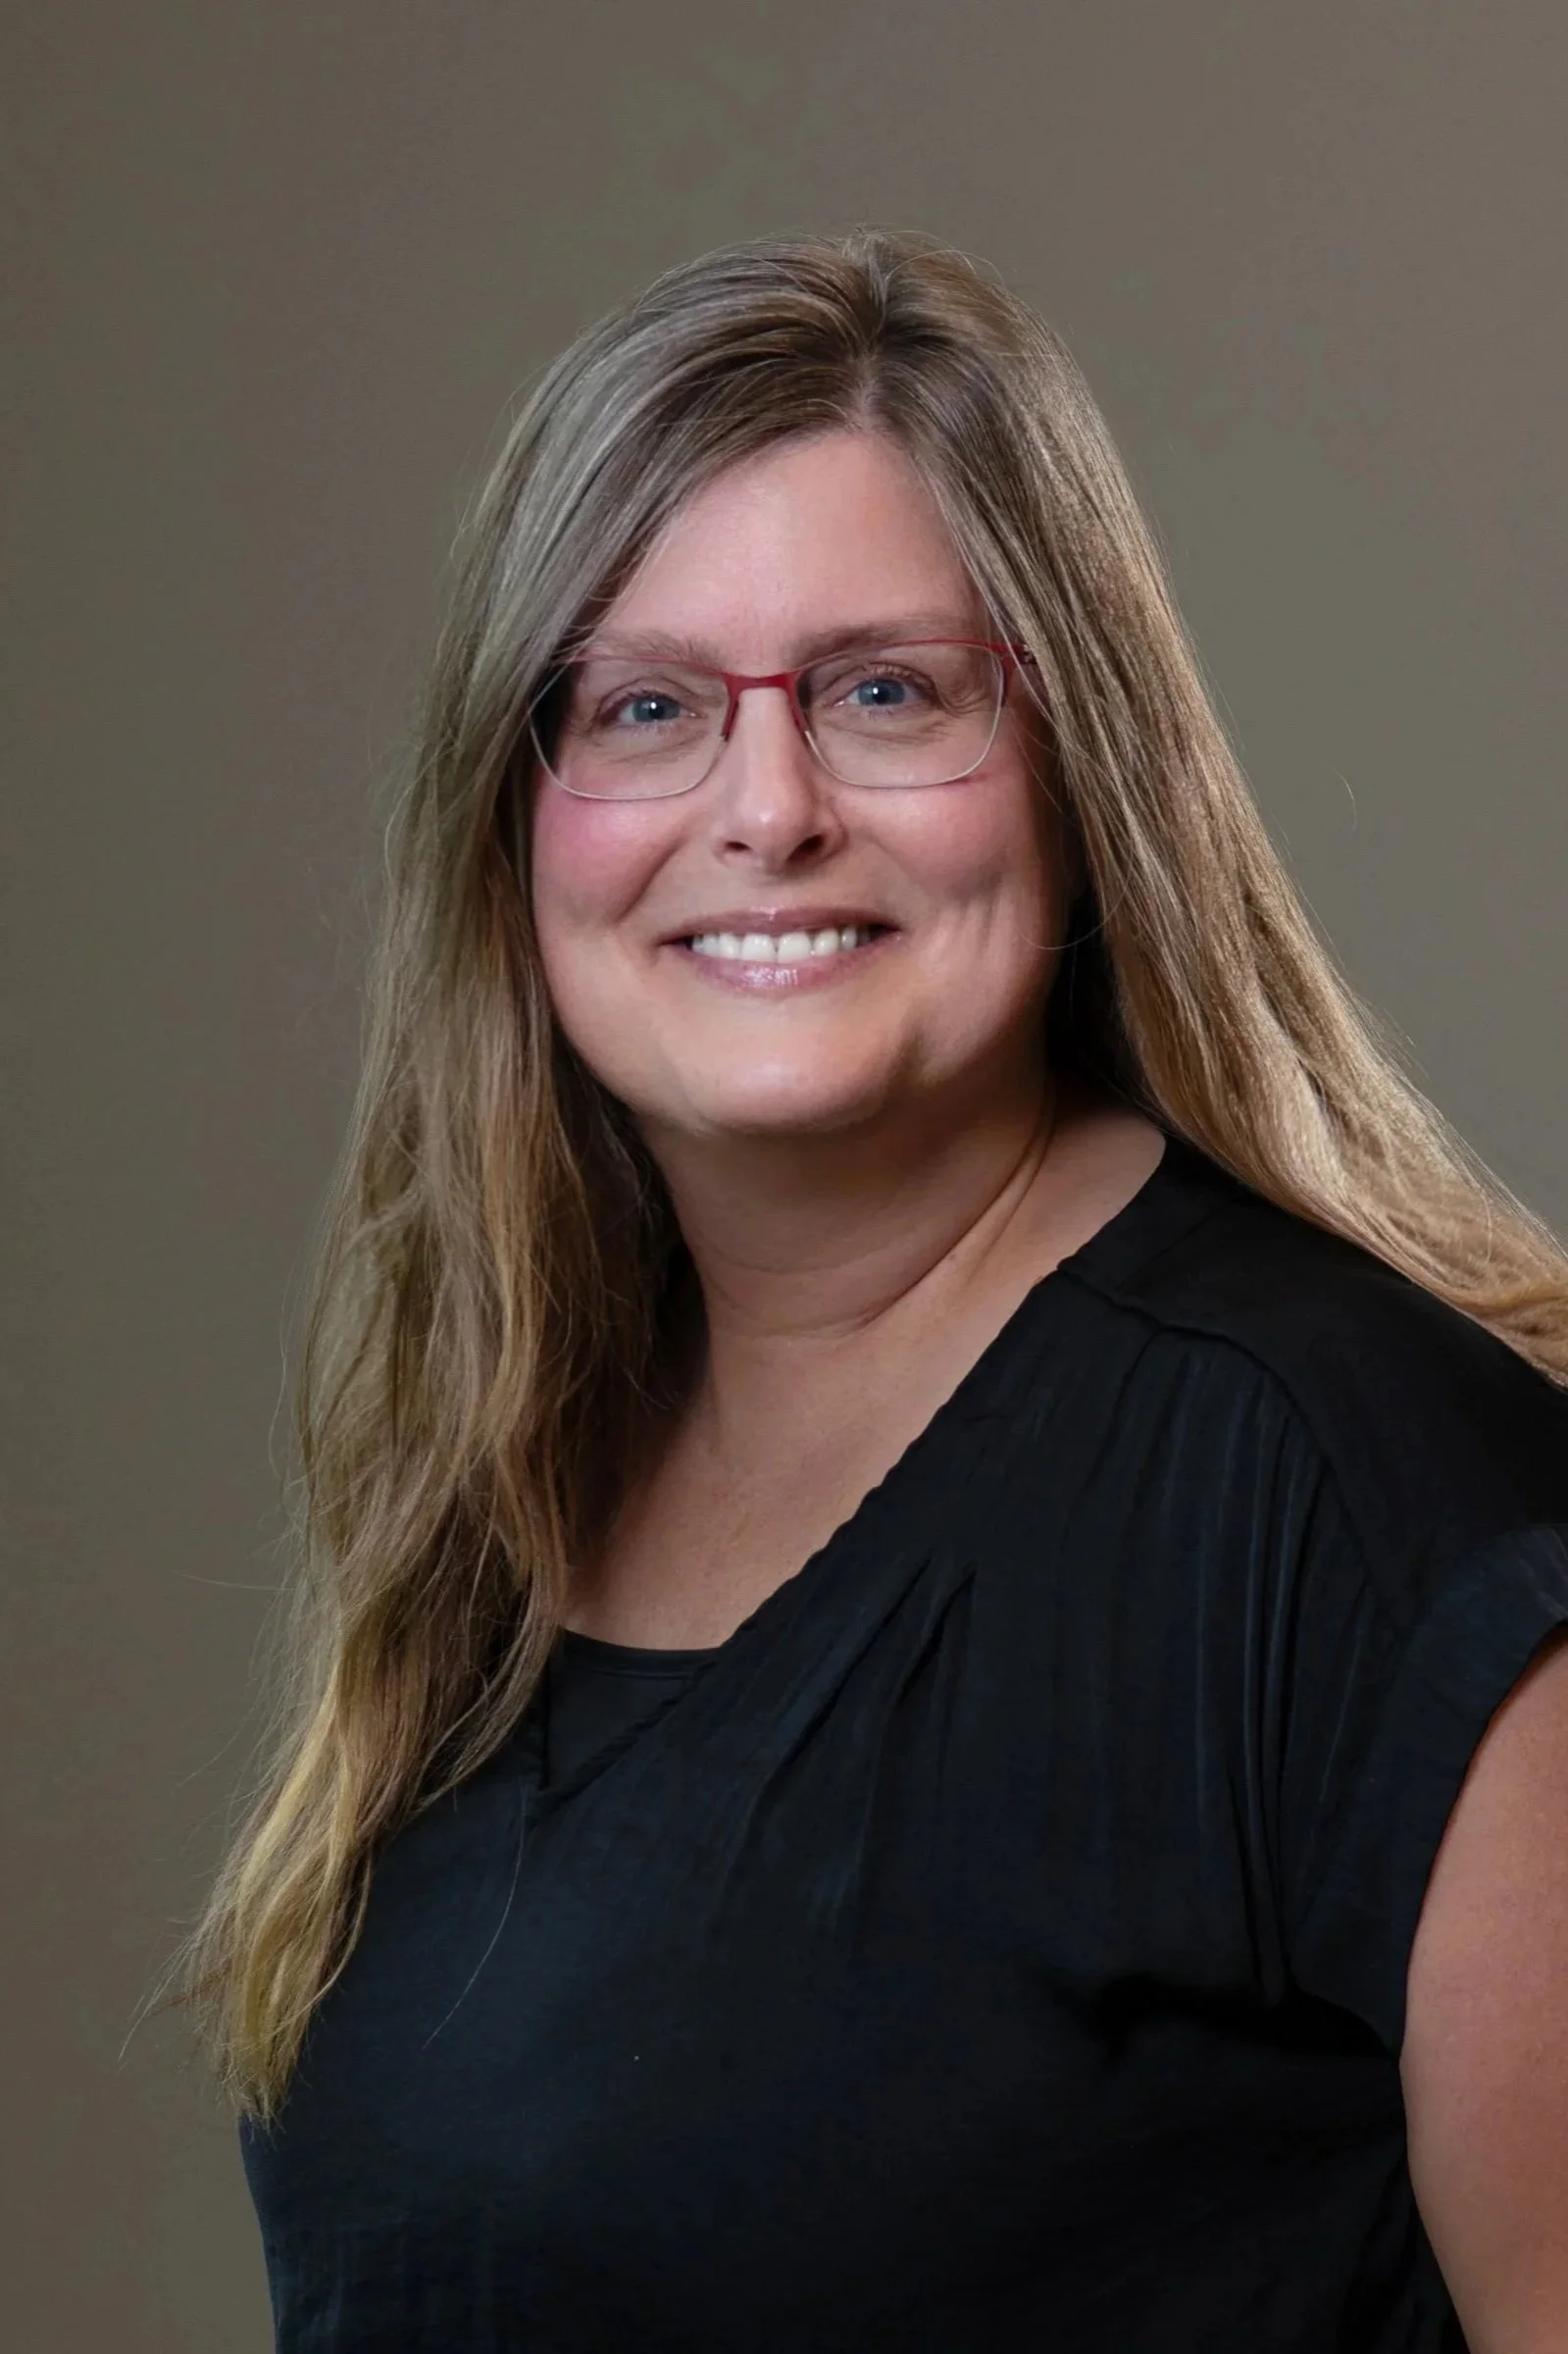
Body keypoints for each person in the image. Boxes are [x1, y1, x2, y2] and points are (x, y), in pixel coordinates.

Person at [192, 230, 1568, 2351]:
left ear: (1075, 765)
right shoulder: (508, 1481)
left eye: (884, 693)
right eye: (645, 707)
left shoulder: (1368, 1503)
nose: (767, 810)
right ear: (516, 812)